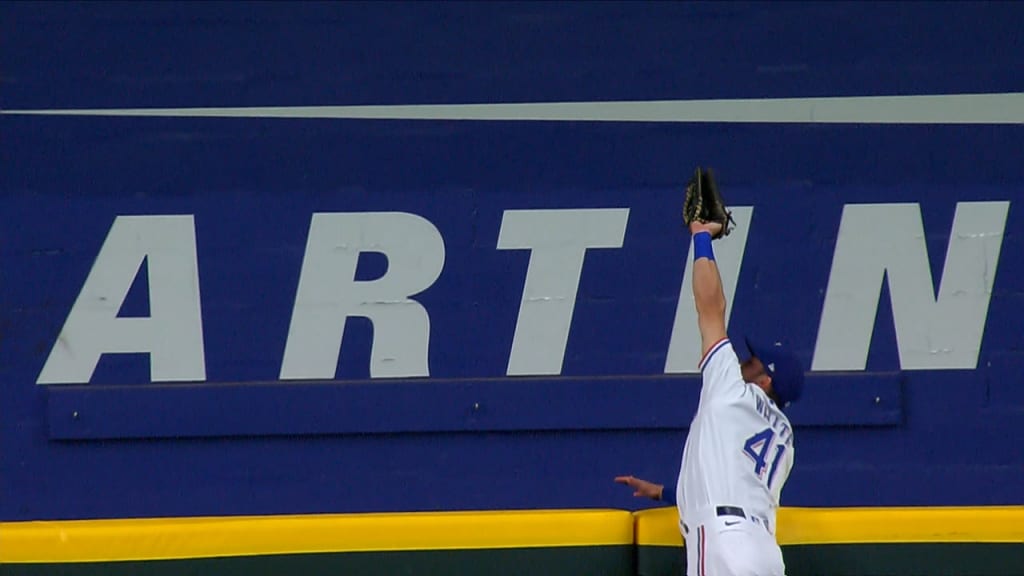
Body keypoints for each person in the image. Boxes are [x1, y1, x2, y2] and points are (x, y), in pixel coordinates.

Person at [617, 217, 805, 576]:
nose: (743, 362)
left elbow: (710, 307)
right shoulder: (786, 440)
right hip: (765, 552)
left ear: (765, 381)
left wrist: (701, 237)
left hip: (723, 542)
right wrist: (663, 492)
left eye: (752, 362)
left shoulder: (731, 387)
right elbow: (730, 482)